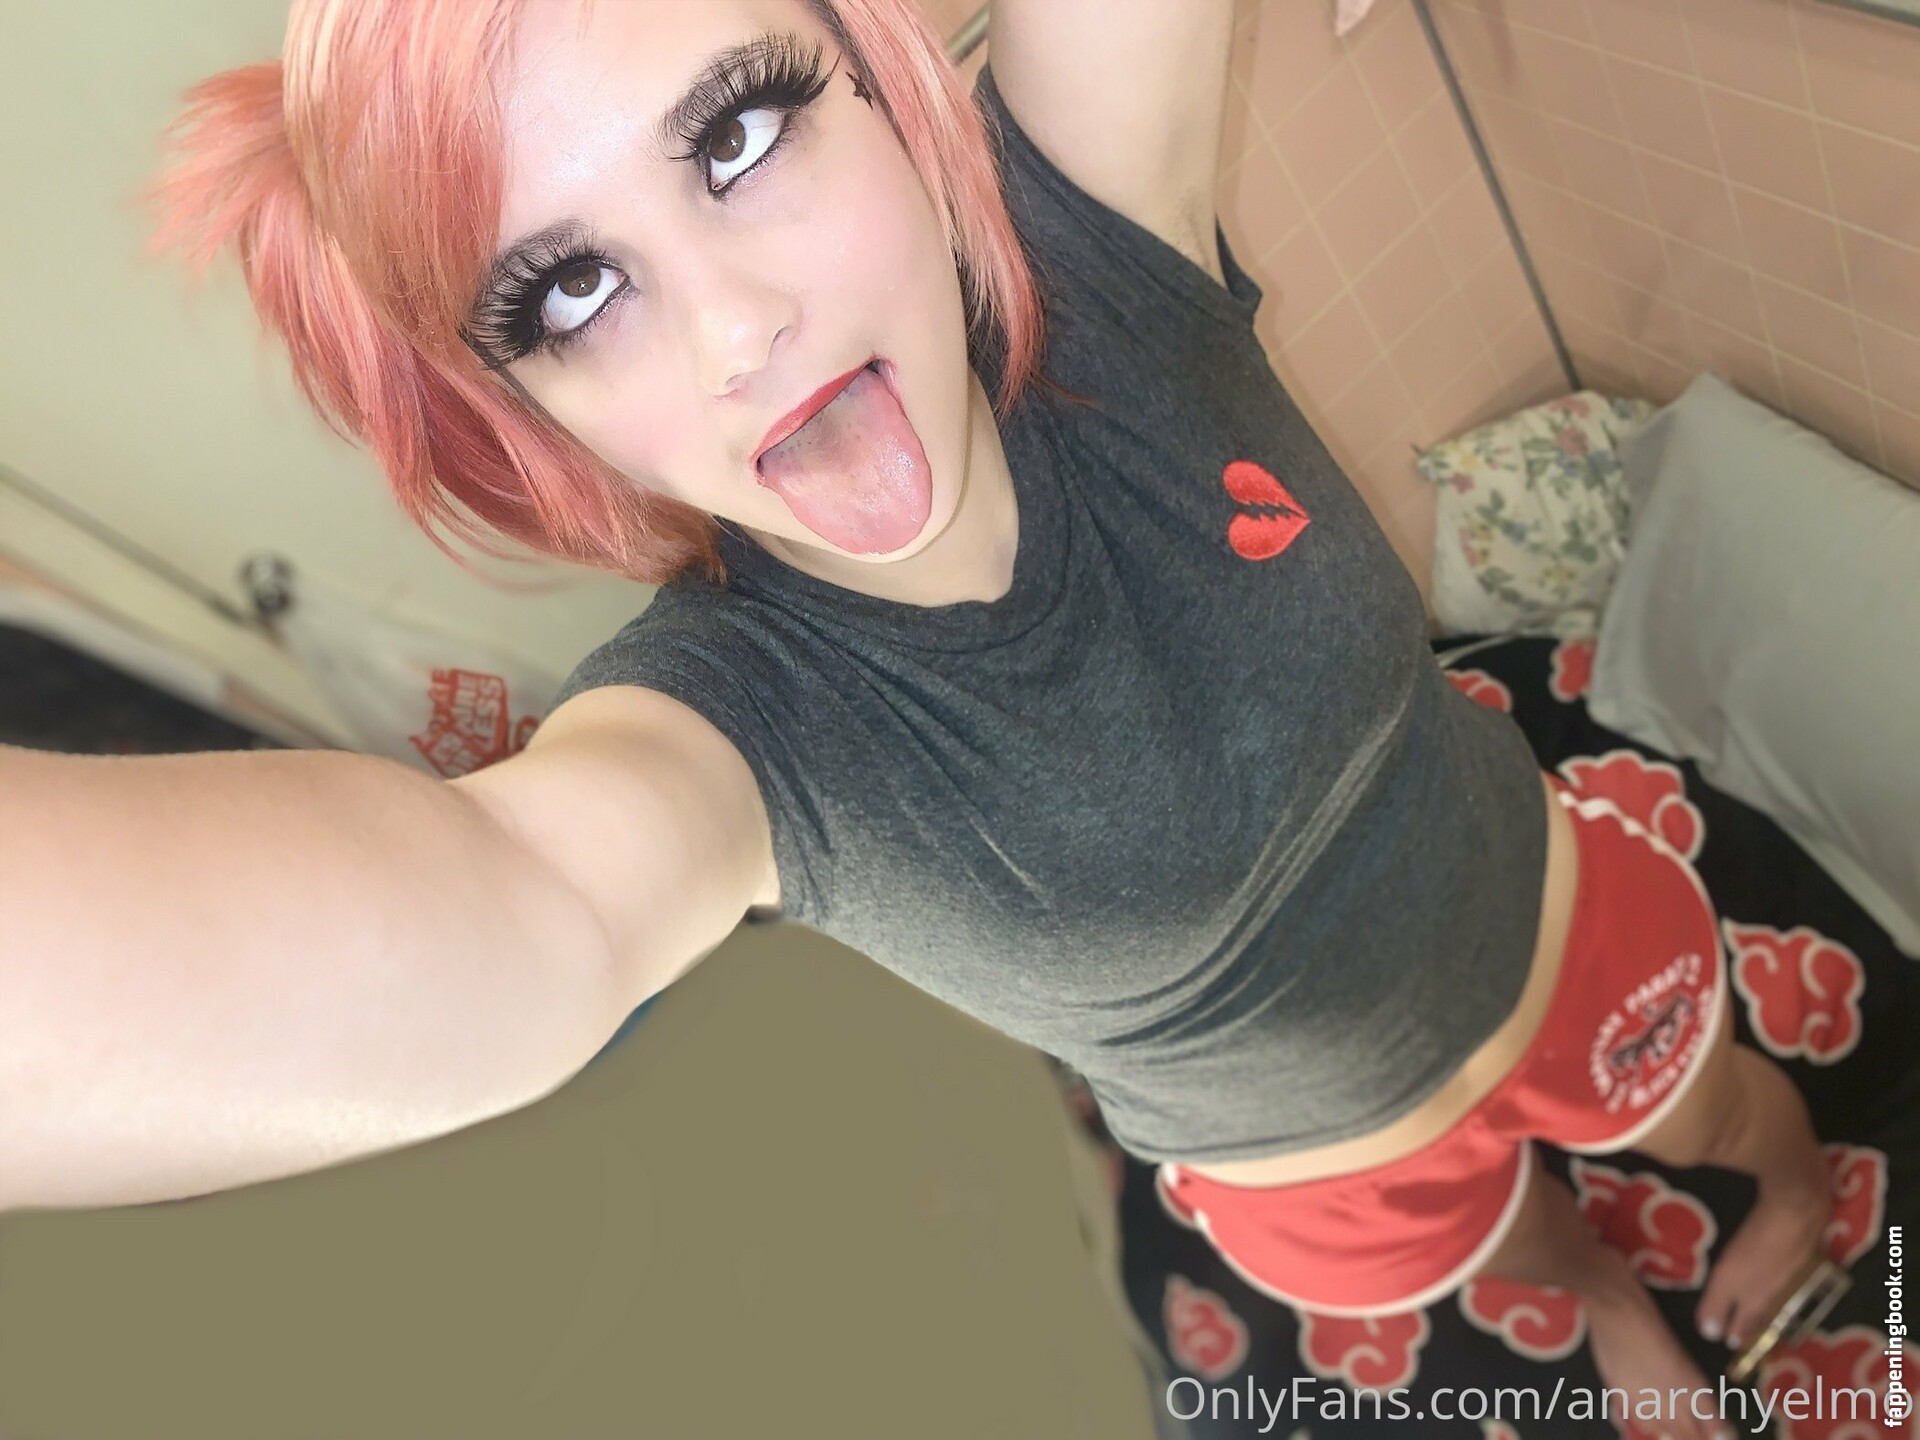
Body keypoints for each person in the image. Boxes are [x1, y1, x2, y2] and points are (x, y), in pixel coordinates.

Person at [2, 2, 1834, 1434]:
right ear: (530, 413)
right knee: (1516, 1243)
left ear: (882, 83)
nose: (734, 329)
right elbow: (517, 920)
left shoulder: (1103, 250)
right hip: (1309, 1167)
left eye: (738, 134)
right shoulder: (726, 741)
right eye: (574, 291)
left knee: (1736, 1117)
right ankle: (1606, 1288)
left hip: (1548, 926)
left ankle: (1793, 1194)